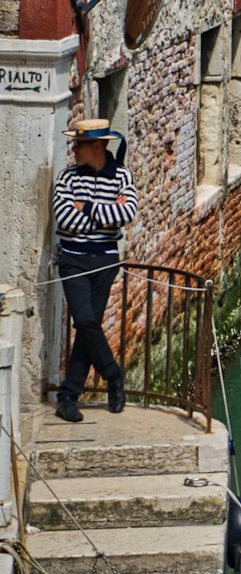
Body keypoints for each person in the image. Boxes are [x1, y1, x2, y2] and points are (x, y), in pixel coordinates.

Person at [51, 118, 138, 422]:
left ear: (97, 146)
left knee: (88, 327)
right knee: (86, 321)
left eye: (79, 144)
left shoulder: (123, 176)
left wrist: (85, 207)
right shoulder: (68, 177)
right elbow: (64, 219)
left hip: (105, 261)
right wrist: (105, 216)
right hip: (73, 258)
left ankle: (67, 396)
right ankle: (113, 375)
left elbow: (127, 212)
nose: (74, 149)